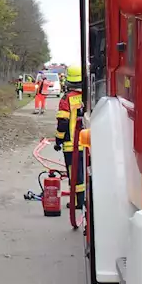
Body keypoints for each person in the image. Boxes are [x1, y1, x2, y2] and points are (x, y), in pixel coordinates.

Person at [55, 64, 85, 209]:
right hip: (88, 144)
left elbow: (63, 122)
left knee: (75, 175)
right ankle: (87, 201)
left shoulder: (67, 98)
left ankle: (79, 202)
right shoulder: (89, 95)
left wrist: (58, 140)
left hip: (71, 145)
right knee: (86, 172)